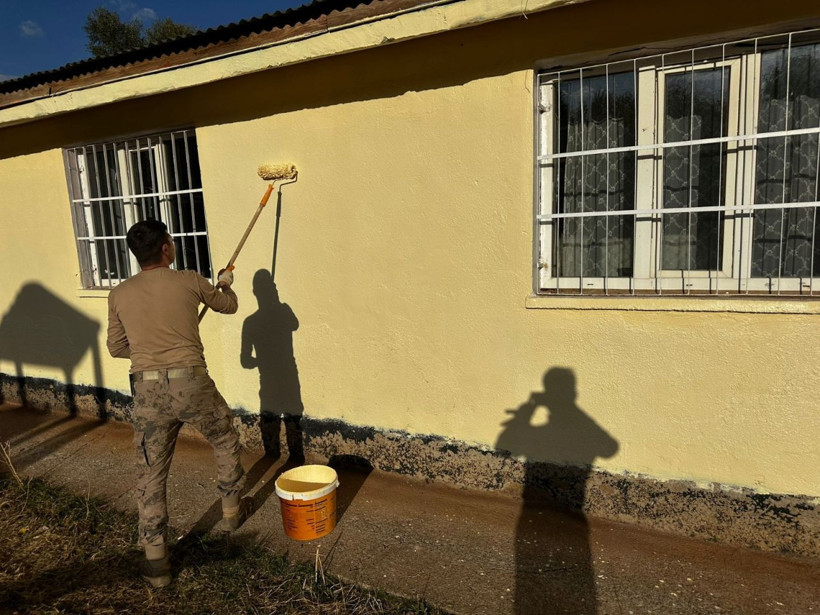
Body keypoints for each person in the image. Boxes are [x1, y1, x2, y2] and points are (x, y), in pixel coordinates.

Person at [106, 219, 250, 588]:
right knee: (223, 437)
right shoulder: (190, 280)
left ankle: (157, 564)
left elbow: (117, 347)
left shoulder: (119, 294)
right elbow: (228, 306)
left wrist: (148, 351)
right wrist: (225, 284)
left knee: (151, 472)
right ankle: (231, 512)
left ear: (137, 255)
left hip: (147, 391)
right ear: (166, 249)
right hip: (191, 382)